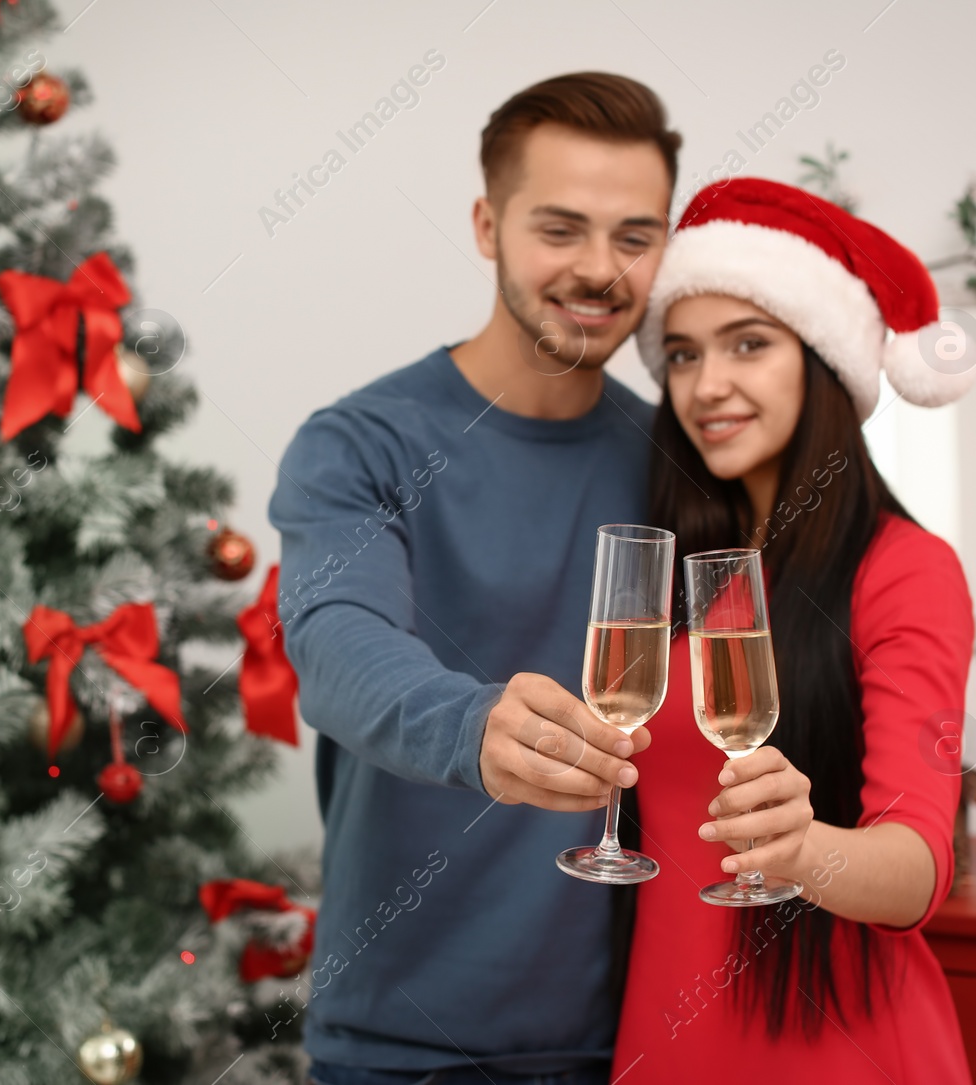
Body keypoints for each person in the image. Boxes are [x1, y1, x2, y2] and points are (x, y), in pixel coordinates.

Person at [267, 73, 679, 1084]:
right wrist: (473, 726)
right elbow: (335, 640)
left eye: (635, 236)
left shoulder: (679, 462)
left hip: (621, 1042)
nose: (597, 268)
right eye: (560, 229)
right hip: (396, 1046)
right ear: (486, 223)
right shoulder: (357, 441)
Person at [613, 176, 976, 1082]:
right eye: (685, 354)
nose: (708, 384)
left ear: (824, 362)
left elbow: (917, 867)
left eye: (749, 344)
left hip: (838, 1045)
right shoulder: (696, 564)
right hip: (663, 1032)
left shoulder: (903, 569)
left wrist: (800, 849)